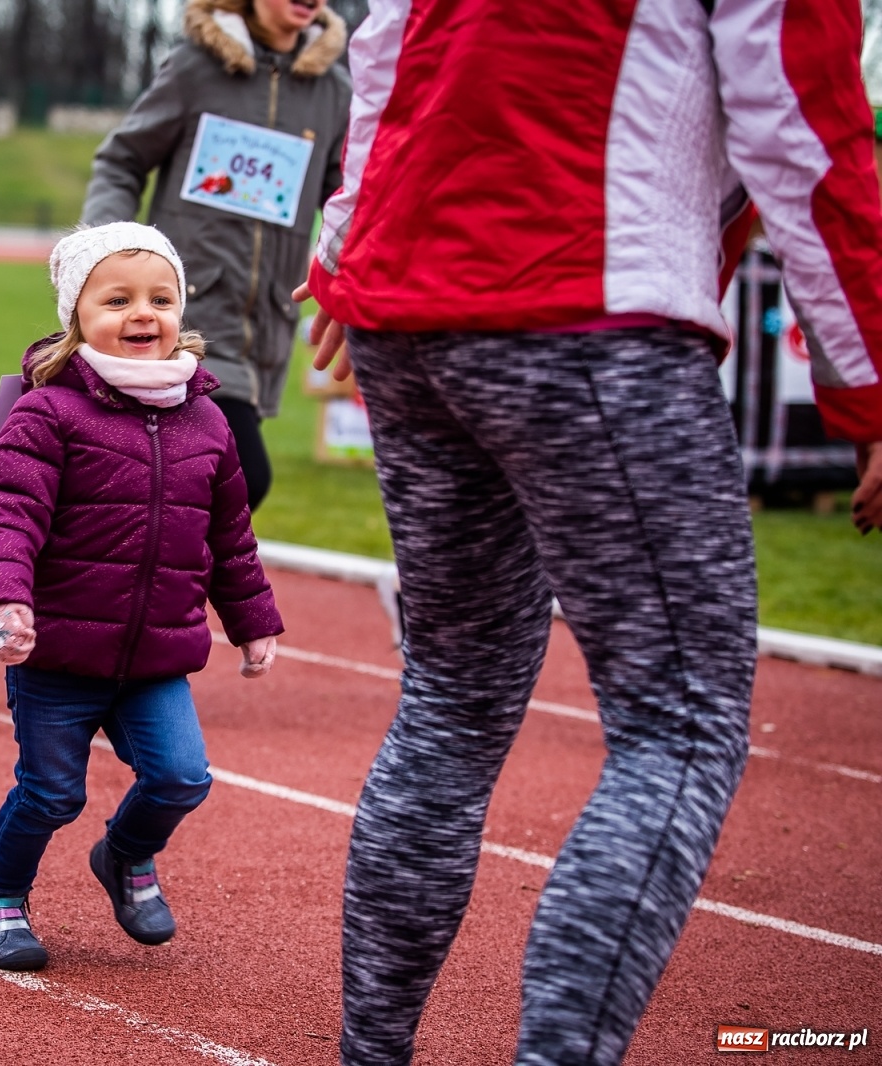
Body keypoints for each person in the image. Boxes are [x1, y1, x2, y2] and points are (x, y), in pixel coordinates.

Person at [299, 1, 882, 1062]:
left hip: (407, 308)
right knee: (680, 727)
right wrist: (870, 381)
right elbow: (800, 122)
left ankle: (368, 1053)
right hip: (586, 310)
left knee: (449, 702)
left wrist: (348, 250)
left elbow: (382, 55)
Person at [0, 221, 285, 971]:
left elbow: (231, 537)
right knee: (50, 794)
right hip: (59, 655)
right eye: (117, 300)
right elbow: (5, 516)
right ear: (76, 314)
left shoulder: (207, 420)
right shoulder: (48, 412)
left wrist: (253, 620)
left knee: (181, 778)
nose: (143, 313)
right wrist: (4, 600)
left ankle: (125, 854)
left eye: (160, 299)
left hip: (155, 659)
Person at [80, 0, 351, 511]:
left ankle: (129, 556)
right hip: (187, 314)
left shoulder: (334, 91)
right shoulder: (197, 67)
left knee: (195, 487)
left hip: (266, 324)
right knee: (240, 477)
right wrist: (105, 248)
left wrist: (358, 272)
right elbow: (121, 160)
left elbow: (346, 199)